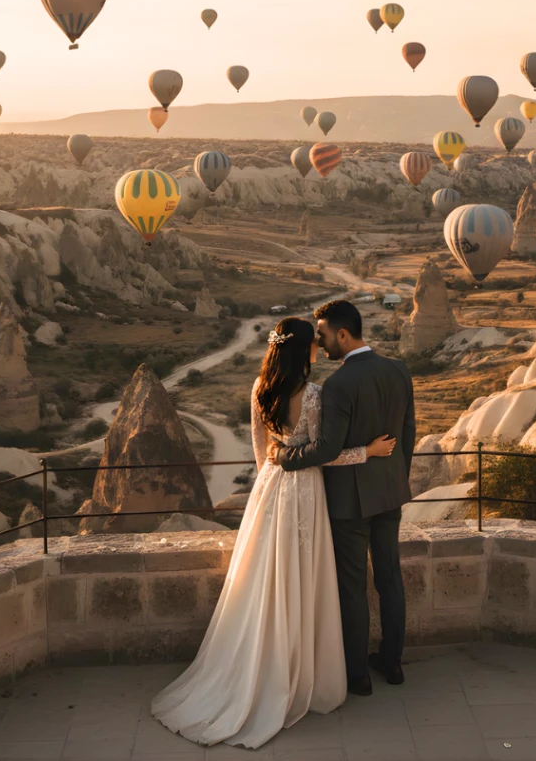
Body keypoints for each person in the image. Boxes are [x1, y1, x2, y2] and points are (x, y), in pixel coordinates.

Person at [151, 316, 396, 749]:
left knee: (264, 580)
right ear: (305, 349)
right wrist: (369, 451)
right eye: (314, 343)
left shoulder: (259, 388)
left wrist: (276, 475)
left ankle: (259, 670)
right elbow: (326, 455)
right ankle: (301, 674)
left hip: (269, 493)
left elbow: (262, 454)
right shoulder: (316, 395)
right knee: (305, 579)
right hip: (305, 493)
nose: (319, 347)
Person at [269, 300, 416, 696]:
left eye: (324, 334)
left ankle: (358, 676)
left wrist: (285, 456)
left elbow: (326, 449)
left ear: (343, 335)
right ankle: (393, 663)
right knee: (390, 579)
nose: (321, 342)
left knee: (352, 588)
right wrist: (396, 481)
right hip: (390, 494)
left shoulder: (337, 385)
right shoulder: (399, 370)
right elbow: (408, 435)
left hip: (350, 503)